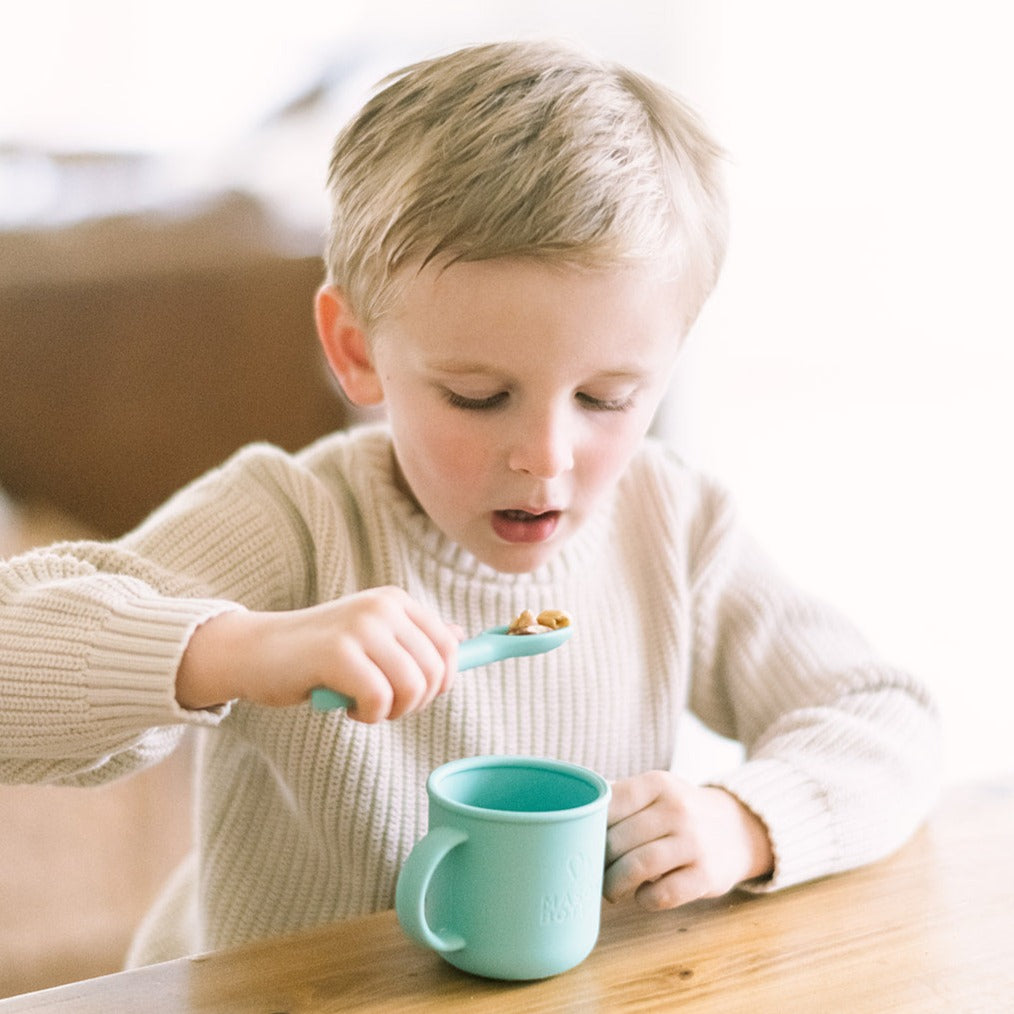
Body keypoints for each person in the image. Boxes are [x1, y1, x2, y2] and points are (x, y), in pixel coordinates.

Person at [0, 39, 940, 968]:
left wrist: (747, 820)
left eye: (607, 398)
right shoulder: (294, 522)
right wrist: (242, 649)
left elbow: (882, 715)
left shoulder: (674, 527)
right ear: (357, 350)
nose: (545, 457)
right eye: (478, 396)